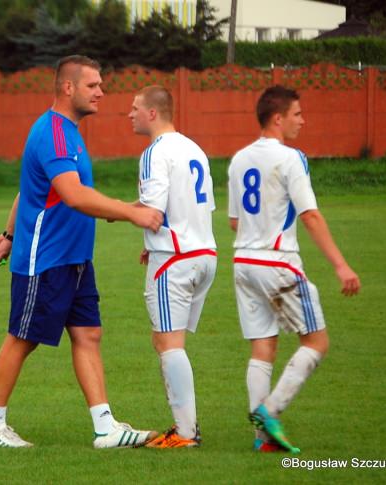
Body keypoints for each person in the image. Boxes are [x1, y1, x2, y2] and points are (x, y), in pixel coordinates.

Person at [0, 55, 164, 448]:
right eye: (93, 85)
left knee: (88, 334)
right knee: (21, 338)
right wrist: (131, 213)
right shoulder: (54, 132)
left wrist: (7, 234)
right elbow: (74, 195)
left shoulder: (69, 132)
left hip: (75, 258)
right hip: (46, 259)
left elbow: (30, 189)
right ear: (68, 88)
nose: (102, 91)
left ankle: (105, 428)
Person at [227, 85, 361, 453]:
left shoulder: (238, 159)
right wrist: (341, 265)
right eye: (297, 114)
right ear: (277, 118)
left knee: (263, 347)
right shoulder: (291, 158)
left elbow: (235, 222)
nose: (303, 120)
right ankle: (270, 412)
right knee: (316, 341)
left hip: (243, 265)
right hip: (278, 264)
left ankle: (262, 439)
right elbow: (311, 215)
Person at [127, 85, 217, 449]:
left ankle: (184, 433)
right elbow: (195, 206)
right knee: (166, 339)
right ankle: (185, 429)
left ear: (152, 113)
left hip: (175, 260)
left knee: (168, 342)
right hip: (204, 254)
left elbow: (153, 213)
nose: (129, 114)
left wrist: (113, 211)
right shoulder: (193, 148)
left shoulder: (154, 153)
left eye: (134, 108)